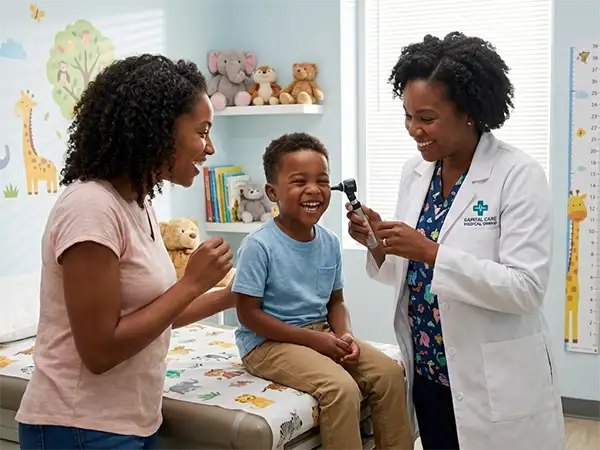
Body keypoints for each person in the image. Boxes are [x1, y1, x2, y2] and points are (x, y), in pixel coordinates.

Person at [346, 32, 565, 450]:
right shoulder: (416, 172)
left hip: (495, 381)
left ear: (468, 111)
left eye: (426, 117)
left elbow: (526, 289)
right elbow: (406, 273)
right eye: (408, 116)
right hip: (431, 373)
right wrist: (378, 242)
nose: (414, 129)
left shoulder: (518, 175)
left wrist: (431, 252)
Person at [16, 54, 235, 450]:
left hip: (131, 423)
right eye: (202, 132)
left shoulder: (138, 202)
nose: (210, 148)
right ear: (160, 130)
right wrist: (192, 283)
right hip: (79, 427)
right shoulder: (90, 208)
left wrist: (235, 294)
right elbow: (100, 350)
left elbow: (155, 313)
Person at [232, 133, 412, 450]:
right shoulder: (259, 246)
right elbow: (248, 315)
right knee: (341, 388)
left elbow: (336, 302)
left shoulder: (328, 242)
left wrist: (344, 335)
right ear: (272, 192)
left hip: (320, 332)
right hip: (267, 344)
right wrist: (315, 340)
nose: (314, 190)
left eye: (322, 180)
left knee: (389, 374)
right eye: (299, 181)